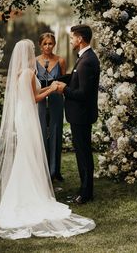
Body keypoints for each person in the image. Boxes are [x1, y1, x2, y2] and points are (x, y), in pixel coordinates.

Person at [0, 39, 95, 240]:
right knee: (30, 151)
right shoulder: (29, 73)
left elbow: (30, 95)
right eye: (31, 50)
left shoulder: (19, 73)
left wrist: (50, 88)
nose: (33, 53)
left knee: (25, 152)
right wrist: (53, 88)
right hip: (28, 115)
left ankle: (22, 189)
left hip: (22, 114)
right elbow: (35, 98)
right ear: (27, 53)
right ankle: (30, 192)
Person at [57, 25, 100, 204]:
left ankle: (86, 193)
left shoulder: (88, 60)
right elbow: (75, 77)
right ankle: (84, 189)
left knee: (83, 154)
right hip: (79, 115)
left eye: (72, 37)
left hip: (81, 115)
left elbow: (83, 93)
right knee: (82, 153)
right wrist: (57, 81)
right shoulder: (85, 57)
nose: (71, 40)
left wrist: (63, 89)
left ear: (80, 38)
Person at [36, 33, 65, 181]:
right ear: (40, 45)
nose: (48, 46)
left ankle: (54, 171)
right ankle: (42, 170)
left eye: (51, 43)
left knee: (55, 132)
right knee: (40, 132)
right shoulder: (34, 62)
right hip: (40, 102)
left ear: (54, 44)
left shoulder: (60, 61)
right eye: (45, 44)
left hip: (56, 101)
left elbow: (63, 82)